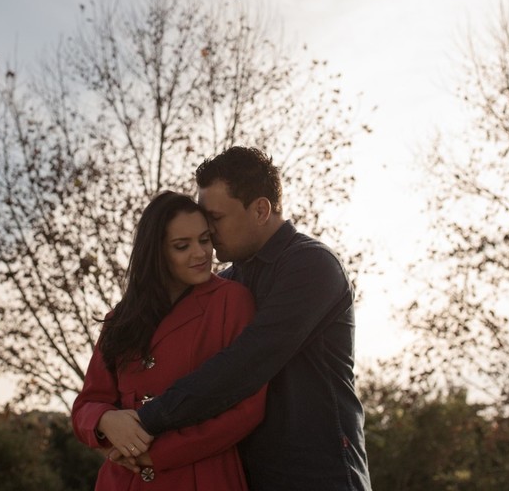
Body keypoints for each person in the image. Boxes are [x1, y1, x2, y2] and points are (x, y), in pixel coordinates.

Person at [124, 147, 372, 490]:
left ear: (260, 209)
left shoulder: (311, 266)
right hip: (246, 478)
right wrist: (106, 419)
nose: (207, 232)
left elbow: (246, 363)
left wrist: (145, 421)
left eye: (216, 218)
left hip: (318, 476)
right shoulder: (224, 283)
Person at [72, 190, 267, 490]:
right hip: (124, 480)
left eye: (204, 239)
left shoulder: (232, 302)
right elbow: (87, 404)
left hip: (202, 477)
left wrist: (154, 454)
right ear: (157, 252)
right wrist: (105, 420)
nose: (201, 253)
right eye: (182, 246)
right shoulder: (120, 319)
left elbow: (247, 409)